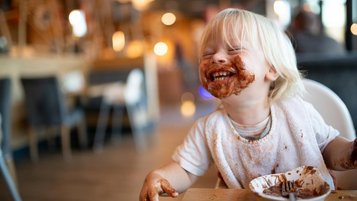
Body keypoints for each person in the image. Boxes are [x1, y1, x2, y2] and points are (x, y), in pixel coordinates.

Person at [139, 8, 357, 201]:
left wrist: (350, 152)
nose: (216, 57)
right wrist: (161, 177)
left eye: (233, 49)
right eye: (207, 53)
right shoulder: (210, 129)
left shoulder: (296, 111)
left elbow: (329, 148)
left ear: (271, 69)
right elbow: (185, 170)